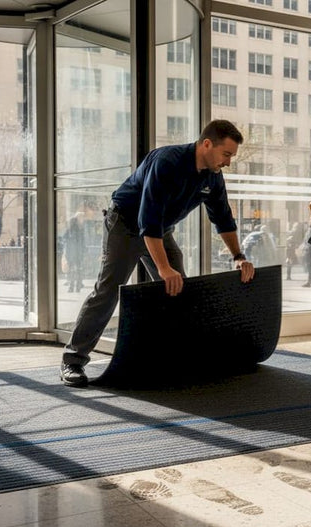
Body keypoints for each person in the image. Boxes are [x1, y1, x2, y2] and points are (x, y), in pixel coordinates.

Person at [60, 119, 255, 387]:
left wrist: (238, 256)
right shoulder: (167, 162)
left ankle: (177, 355)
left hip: (159, 229)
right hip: (126, 224)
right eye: (226, 154)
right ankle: (72, 361)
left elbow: (223, 218)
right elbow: (147, 219)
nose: (228, 162)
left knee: (178, 288)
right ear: (207, 144)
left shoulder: (213, 176)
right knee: (109, 289)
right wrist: (163, 268)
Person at [62, 200, 98, 293]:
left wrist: (84, 250)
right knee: (74, 269)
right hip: (73, 252)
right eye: (81, 218)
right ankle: (73, 285)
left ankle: (77, 284)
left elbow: (81, 241)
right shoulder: (73, 229)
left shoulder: (80, 228)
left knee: (77, 269)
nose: (82, 220)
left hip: (76, 252)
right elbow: (66, 238)